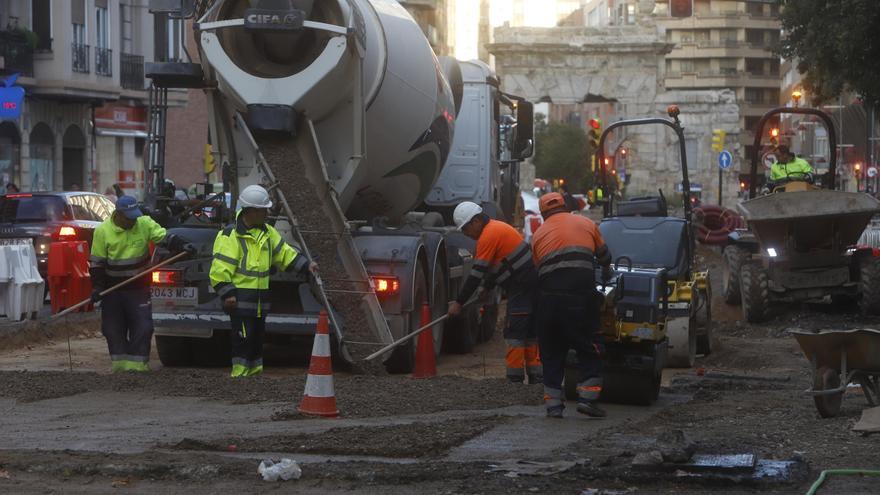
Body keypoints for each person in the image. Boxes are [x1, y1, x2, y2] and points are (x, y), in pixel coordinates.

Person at [210, 185, 317, 378]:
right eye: (263, 209)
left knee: (256, 339)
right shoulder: (230, 236)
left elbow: (285, 254)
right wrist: (227, 293)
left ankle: (254, 375)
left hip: (259, 300)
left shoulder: (267, 233)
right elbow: (220, 269)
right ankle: (240, 376)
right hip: (240, 299)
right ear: (251, 211)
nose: (267, 213)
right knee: (243, 338)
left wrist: (306, 265)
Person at [89, 196, 195, 372]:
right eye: (129, 217)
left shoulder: (144, 223)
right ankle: (120, 365)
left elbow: (164, 237)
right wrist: (97, 287)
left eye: (134, 216)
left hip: (138, 287)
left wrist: (183, 245)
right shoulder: (103, 231)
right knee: (112, 328)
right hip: (112, 290)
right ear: (119, 214)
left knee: (143, 326)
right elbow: (97, 264)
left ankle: (138, 365)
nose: (133, 220)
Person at [530, 192, 612, 419]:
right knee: (590, 347)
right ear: (566, 206)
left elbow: (538, 270)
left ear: (544, 213)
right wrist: (607, 272)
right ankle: (588, 399)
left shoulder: (538, 235)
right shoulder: (586, 223)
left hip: (548, 302)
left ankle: (553, 406)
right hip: (580, 299)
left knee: (551, 352)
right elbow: (604, 256)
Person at [447, 201, 542, 384]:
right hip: (529, 284)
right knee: (530, 332)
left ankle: (514, 379)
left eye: (466, 229)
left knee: (515, 332)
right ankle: (536, 376)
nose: (466, 234)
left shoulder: (487, 236)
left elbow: (476, 274)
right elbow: (498, 264)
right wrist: (487, 288)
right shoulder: (497, 228)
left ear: (475, 221)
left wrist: (458, 303)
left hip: (521, 286)